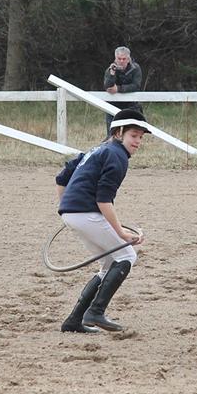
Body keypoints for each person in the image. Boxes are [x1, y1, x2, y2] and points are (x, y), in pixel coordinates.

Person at [56, 108, 151, 333]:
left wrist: (66, 207)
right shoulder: (117, 156)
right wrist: (122, 233)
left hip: (73, 213)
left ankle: (74, 320)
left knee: (108, 264)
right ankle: (96, 311)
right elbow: (103, 199)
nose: (138, 142)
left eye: (140, 137)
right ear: (118, 133)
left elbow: (61, 177)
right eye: (133, 136)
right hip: (85, 213)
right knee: (127, 255)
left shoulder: (96, 150)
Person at [103, 46, 143, 136]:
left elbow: (136, 86)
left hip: (131, 105)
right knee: (111, 135)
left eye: (124, 59)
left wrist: (118, 89)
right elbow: (107, 86)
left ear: (128, 59)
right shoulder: (110, 69)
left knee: (132, 133)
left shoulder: (135, 68)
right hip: (113, 105)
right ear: (115, 59)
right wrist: (112, 74)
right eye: (119, 59)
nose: (121, 61)